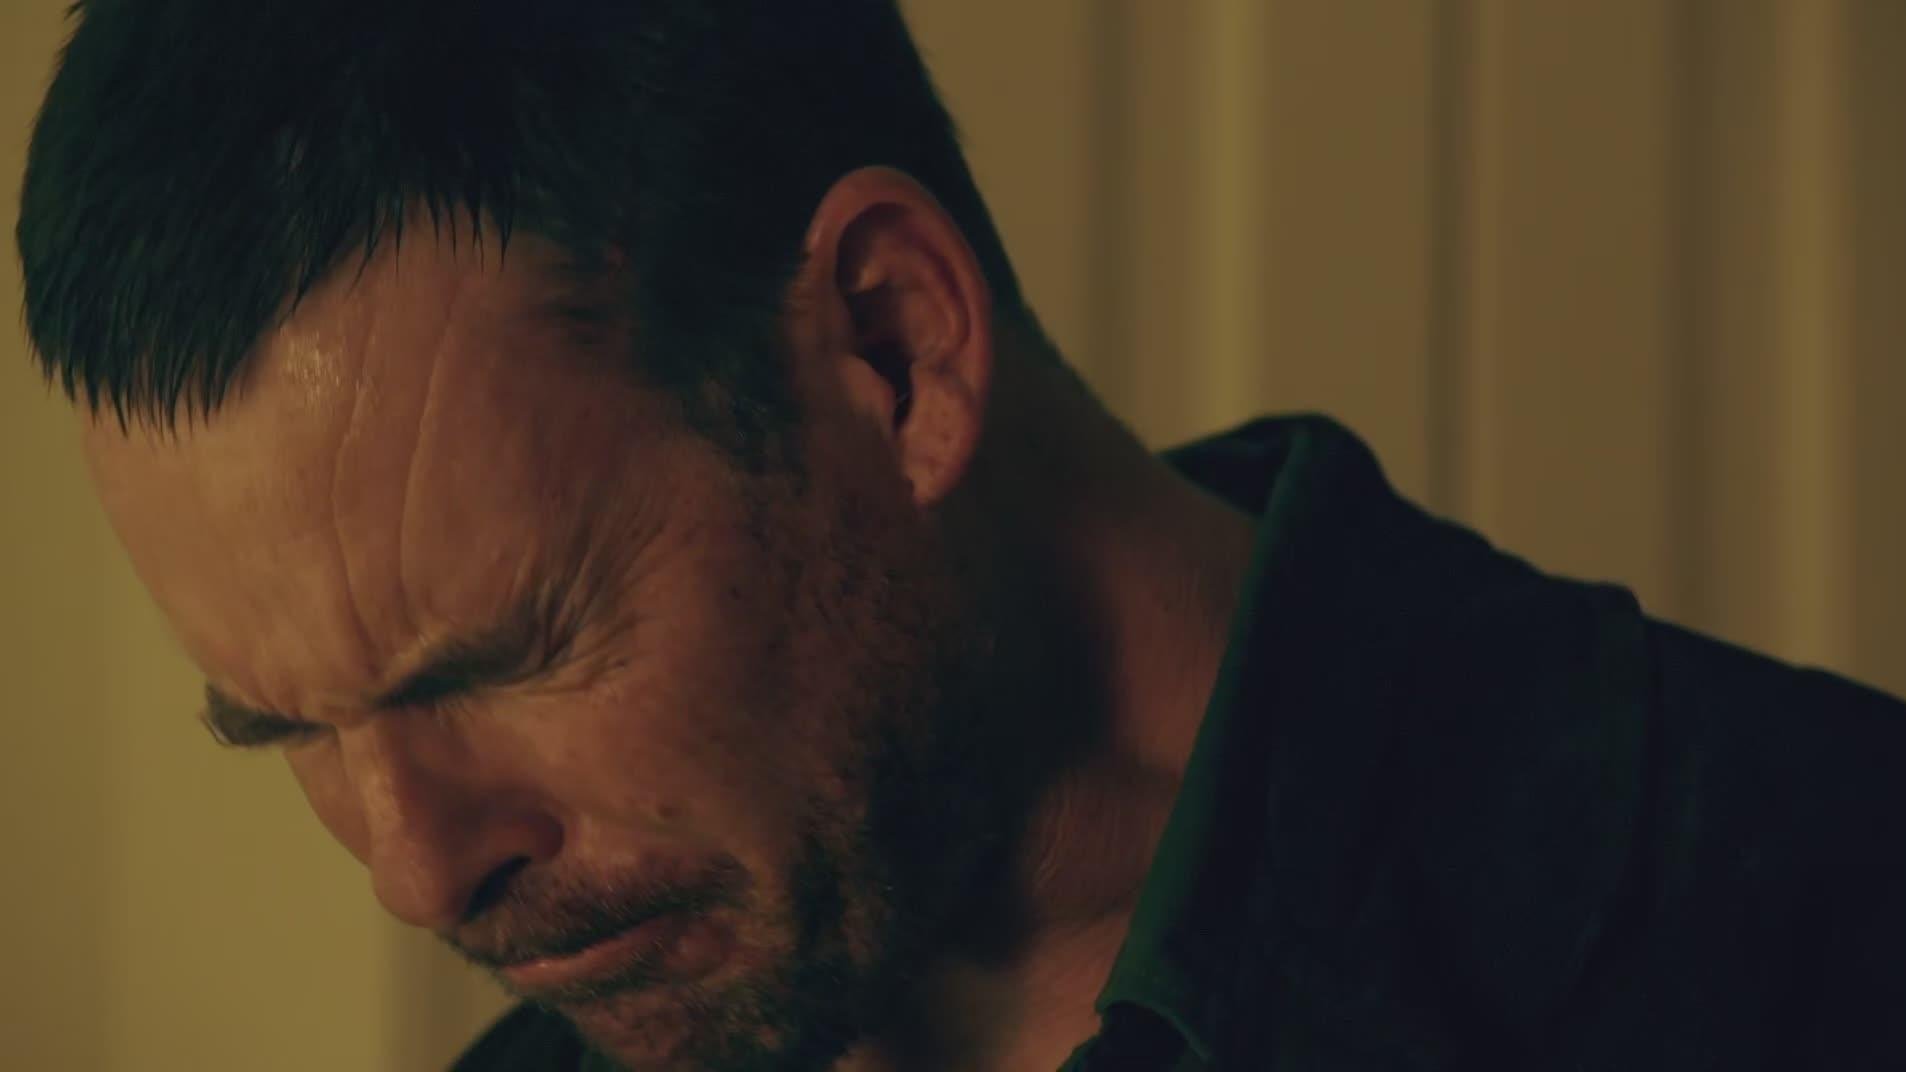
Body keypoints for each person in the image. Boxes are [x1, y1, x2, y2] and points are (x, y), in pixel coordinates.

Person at [17, 1, 1905, 1070]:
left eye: (508, 653)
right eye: (289, 730)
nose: (416, 870)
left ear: (893, 349)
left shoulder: (1819, 929)